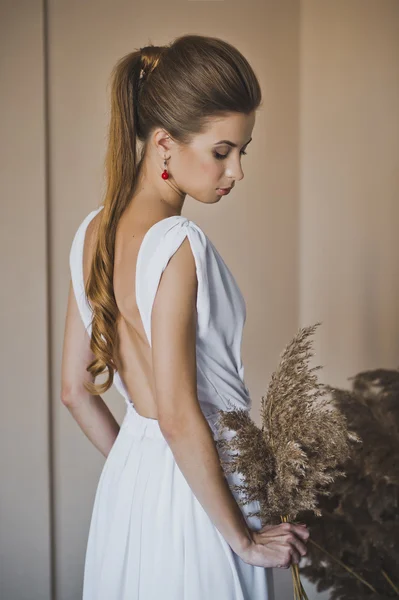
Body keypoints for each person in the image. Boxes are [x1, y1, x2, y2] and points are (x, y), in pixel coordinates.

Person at [61, 34, 309, 599]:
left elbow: (74, 391)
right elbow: (177, 413)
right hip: (208, 493)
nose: (237, 171)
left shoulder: (90, 233)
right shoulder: (178, 243)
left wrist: (144, 463)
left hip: (130, 487)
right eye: (222, 151)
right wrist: (244, 542)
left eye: (244, 150)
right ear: (165, 144)